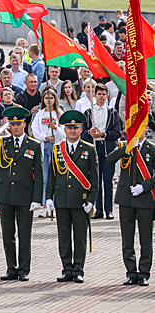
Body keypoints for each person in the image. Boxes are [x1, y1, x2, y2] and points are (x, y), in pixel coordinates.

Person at [0, 107, 43, 281]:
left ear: (24, 124)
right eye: (12, 124)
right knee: (8, 234)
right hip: (5, 194)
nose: (16, 127)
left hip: (24, 195)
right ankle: (11, 268)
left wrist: (38, 198)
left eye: (19, 124)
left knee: (24, 234)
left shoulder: (34, 145)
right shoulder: (2, 142)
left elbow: (38, 174)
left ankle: (23, 269)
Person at [46, 110, 99, 284]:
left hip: (80, 200)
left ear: (81, 128)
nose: (72, 131)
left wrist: (91, 201)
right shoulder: (57, 149)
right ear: (65, 129)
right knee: (64, 237)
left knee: (80, 237)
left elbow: (94, 179)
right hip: (62, 199)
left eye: (75, 128)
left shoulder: (89, 149)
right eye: (69, 128)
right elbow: (52, 176)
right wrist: (49, 198)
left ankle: (78, 270)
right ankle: (66, 269)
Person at [107, 114, 155, 287]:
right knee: (127, 238)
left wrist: (145, 186)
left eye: (141, 126)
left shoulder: (152, 148)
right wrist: (127, 147)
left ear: (147, 128)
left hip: (145, 199)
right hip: (126, 198)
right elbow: (110, 159)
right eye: (134, 126)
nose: (137, 130)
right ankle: (131, 272)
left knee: (145, 238)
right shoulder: (125, 146)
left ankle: (143, 273)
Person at [82, 84, 120, 220]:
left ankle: (109, 209)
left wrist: (103, 134)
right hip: (93, 148)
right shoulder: (88, 112)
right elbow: (83, 132)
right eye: (99, 94)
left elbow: (117, 133)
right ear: (95, 95)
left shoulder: (112, 112)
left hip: (107, 149)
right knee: (95, 181)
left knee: (108, 180)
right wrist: (89, 133)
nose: (101, 97)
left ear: (107, 96)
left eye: (104, 94)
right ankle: (98, 209)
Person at [31, 89, 65, 218]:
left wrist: (56, 129)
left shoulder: (59, 113)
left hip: (55, 147)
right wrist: (45, 137)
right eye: (46, 98)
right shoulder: (40, 114)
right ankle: (45, 205)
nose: (48, 100)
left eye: (51, 98)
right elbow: (35, 129)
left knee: (54, 176)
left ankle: (55, 204)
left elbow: (63, 133)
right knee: (45, 177)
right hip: (43, 146)